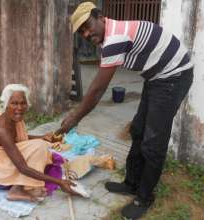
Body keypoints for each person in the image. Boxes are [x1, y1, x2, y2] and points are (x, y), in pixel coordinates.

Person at [58, 2, 194, 219]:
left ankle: (144, 197)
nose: (86, 33)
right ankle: (131, 183)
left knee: (153, 142)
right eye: (81, 31)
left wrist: (74, 118)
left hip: (174, 77)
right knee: (138, 129)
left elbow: (97, 90)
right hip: (157, 77)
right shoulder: (108, 37)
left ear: (100, 17)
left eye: (87, 25)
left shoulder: (115, 39)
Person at [0, 84, 77, 202]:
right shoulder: (1, 129)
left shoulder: (11, 117)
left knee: (41, 145)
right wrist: (60, 182)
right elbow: (23, 168)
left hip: (1, 165)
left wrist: (41, 137)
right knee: (39, 148)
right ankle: (16, 190)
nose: (19, 107)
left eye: (23, 103)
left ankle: (23, 185)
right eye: (14, 103)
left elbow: (15, 138)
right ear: (6, 105)